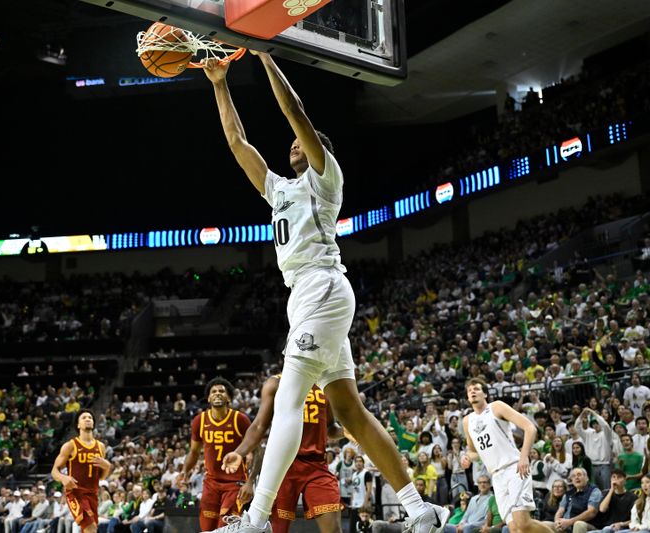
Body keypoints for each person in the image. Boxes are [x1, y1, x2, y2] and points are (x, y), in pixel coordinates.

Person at [200, 51, 446, 533]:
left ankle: (252, 520)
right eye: (290, 144)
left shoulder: (325, 177)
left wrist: (265, 54)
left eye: (300, 143)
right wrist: (219, 81)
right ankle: (420, 509)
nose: (292, 144)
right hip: (308, 297)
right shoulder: (277, 190)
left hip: (322, 288)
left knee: (289, 398)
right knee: (350, 411)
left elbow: (295, 109)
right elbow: (236, 140)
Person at [222, 376, 343, 533]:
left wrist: (346, 431)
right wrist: (240, 452)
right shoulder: (276, 382)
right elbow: (259, 425)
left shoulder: (324, 384)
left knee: (333, 529)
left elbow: (331, 428)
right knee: (278, 529)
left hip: (317, 466)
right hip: (283, 466)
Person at [460, 378, 555, 533]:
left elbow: (530, 428)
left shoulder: (496, 407)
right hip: (496, 477)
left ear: (485, 394)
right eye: (469, 390)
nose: (472, 392)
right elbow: (474, 452)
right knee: (514, 529)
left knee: (523, 524)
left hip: (514, 468)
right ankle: (556, 528)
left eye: (476, 389)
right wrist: (467, 457)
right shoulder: (467, 421)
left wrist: (524, 457)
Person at [180, 378, 251, 531]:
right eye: (214, 391)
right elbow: (193, 452)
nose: (217, 394)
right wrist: (185, 471)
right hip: (211, 483)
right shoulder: (200, 421)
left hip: (235, 483)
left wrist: (250, 481)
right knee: (207, 529)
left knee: (224, 528)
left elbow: (254, 452)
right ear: (208, 398)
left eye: (221, 391)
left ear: (229, 398)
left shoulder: (240, 419)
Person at [51, 410, 112, 533]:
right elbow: (54, 471)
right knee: (91, 529)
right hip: (76, 492)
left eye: (90, 417)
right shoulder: (70, 445)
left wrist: (107, 467)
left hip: (93, 493)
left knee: (88, 529)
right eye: (84, 417)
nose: (88, 419)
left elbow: (101, 477)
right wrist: (63, 478)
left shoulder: (100, 447)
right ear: (78, 425)